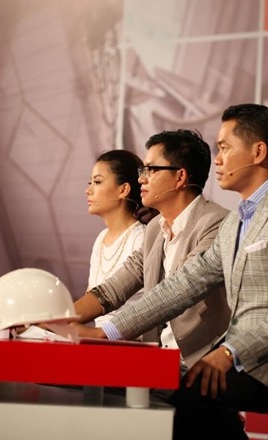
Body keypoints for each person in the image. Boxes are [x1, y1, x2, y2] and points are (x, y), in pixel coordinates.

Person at [83, 104, 268, 440]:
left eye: (225, 148)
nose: (218, 159)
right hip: (237, 352)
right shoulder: (236, 221)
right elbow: (183, 285)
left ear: (258, 152)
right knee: (179, 394)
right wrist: (108, 332)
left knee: (192, 396)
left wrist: (229, 352)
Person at [74, 129, 230, 369]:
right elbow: (112, 290)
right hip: (158, 359)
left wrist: (105, 333)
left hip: (201, 364)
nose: (141, 179)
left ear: (180, 177)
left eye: (150, 170)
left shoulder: (216, 222)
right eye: (142, 171)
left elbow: (178, 291)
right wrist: (55, 318)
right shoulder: (156, 228)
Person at [85, 149, 150, 327]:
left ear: (123, 189)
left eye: (97, 182)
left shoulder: (142, 238)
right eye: (90, 182)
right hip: (99, 338)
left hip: (130, 338)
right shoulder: (101, 238)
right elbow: (89, 302)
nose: (88, 190)